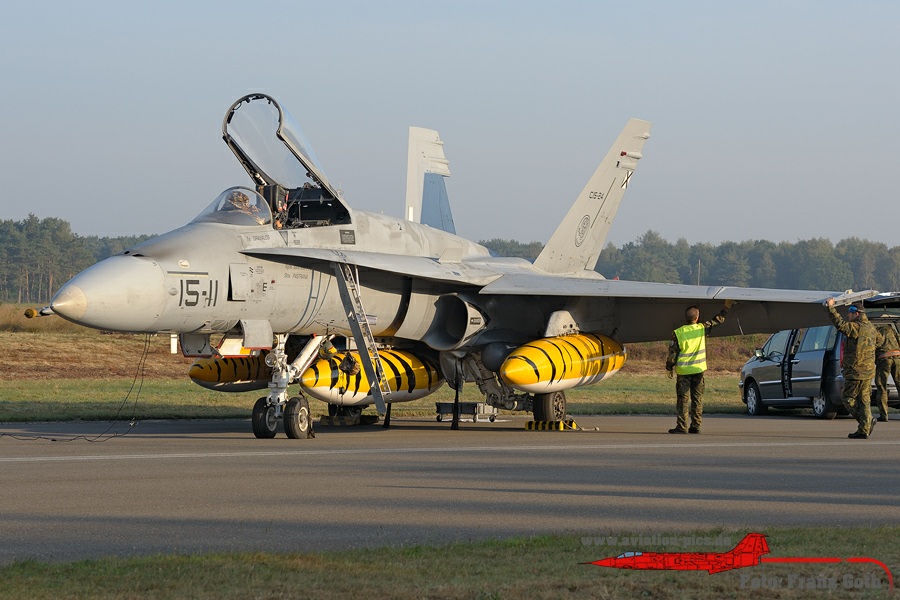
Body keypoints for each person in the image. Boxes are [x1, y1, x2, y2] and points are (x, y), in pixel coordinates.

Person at [666, 300, 733, 434]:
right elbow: (718, 320)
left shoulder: (678, 332)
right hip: (698, 370)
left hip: (683, 371)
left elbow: (673, 353)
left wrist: (669, 366)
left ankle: (682, 426)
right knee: (697, 398)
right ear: (697, 318)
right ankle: (696, 425)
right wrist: (726, 307)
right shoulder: (702, 328)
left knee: (683, 399)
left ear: (686, 318)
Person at [825, 298, 879, 438]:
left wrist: (830, 307)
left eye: (850, 313)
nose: (848, 315)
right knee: (864, 400)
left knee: (847, 398)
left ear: (857, 314)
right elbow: (880, 341)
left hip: (856, 371)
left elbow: (840, 324)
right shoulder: (872, 328)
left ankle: (866, 422)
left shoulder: (856, 327)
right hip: (868, 371)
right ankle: (864, 430)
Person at [874, 323, 900, 422]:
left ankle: (884, 414)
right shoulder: (891, 329)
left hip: (884, 359)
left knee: (881, 387)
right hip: (897, 357)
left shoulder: (873, 331)